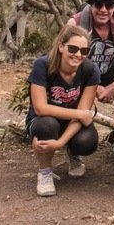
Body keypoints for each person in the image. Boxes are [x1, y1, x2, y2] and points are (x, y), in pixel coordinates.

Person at [26, 25, 100, 197]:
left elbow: (83, 113)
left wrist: (60, 143)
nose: (78, 54)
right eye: (73, 48)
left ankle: (73, 152)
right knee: (46, 126)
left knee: (87, 141)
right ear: (61, 46)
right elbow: (40, 107)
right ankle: (44, 172)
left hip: (72, 122)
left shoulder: (90, 70)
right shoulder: (42, 65)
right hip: (43, 118)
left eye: (84, 50)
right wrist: (80, 114)